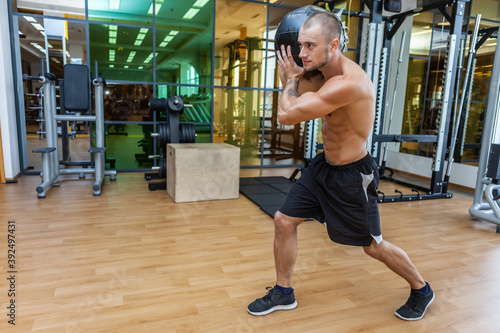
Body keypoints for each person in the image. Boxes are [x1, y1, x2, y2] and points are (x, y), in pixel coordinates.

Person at [247, 11, 434, 321]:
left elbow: (287, 114)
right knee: (283, 220)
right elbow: (294, 98)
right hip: (324, 167)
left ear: (332, 45)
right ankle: (283, 291)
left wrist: (291, 80)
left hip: (353, 175)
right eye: (299, 45)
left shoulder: (349, 83)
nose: (301, 53)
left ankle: (421, 289)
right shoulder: (321, 76)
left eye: (309, 46)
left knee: (372, 247)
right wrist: (292, 80)